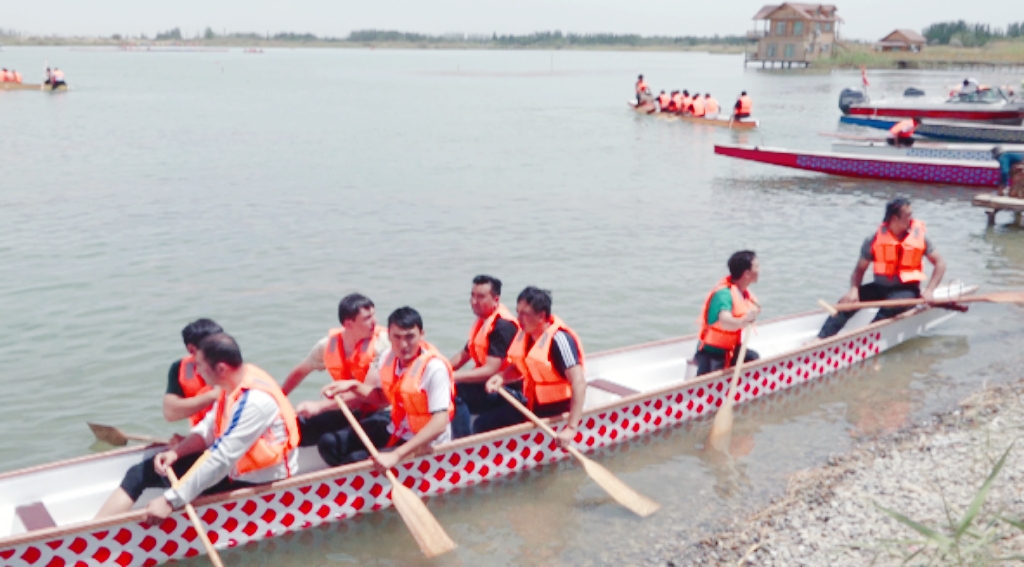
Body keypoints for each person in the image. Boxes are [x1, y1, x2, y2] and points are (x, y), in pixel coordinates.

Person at [94, 333, 300, 523]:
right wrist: (177, 452)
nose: (197, 371)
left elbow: (222, 459)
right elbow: (210, 427)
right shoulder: (233, 382)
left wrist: (169, 501)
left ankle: (95, 537)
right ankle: (95, 528)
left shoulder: (255, 402)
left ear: (221, 369)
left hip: (258, 479)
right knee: (140, 473)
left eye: (200, 365)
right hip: (234, 466)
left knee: (169, 483)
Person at [323, 307, 455, 470]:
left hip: (425, 443)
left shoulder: (434, 369)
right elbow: (382, 398)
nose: (403, 345)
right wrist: (354, 386)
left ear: (422, 335)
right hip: (396, 430)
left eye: (410, 337)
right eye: (397, 337)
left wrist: (396, 455)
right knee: (330, 443)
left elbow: (440, 423)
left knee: (354, 460)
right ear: (389, 336)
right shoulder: (387, 357)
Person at [280, 293, 391, 464]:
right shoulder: (327, 345)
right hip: (348, 409)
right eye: (367, 318)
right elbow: (299, 372)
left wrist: (319, 407)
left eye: (374, 315)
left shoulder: (383, 344)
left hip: (382, 411)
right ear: (348, 324)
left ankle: (356, 471)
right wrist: (279, 400)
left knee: (330, 444)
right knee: (296, 427)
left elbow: (362, 395)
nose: (375, 321)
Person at [818, 198, 947, 338]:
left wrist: (929, 290)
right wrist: (854, 290)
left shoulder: (920, 238)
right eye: (908, 215)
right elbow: (859, 270)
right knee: (847, 303)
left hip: (907, 290)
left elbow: (940, 264)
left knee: (890, 306)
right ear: (895, 218)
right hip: (880, 288)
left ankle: (865, 338)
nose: (912, 219)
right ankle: (821, 338)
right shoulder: (873, 240)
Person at [475, 287, 586, 450]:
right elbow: (521, 367)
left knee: (484, 425)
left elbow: (579, 382)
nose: (518, 318)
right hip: (531, 405)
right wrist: (502, 377)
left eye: (524, 314)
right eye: (518, 312)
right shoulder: (526, 335)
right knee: (481, 423)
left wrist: (570, 428)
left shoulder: (560, 340)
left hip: (556, 411)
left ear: (541, 316)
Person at [448, 275, 520, 438]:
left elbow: (490, 370)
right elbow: (463, 355)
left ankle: (463, 442)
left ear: (496, 299)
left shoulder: (502, 326)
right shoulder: (484, 322)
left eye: (481, 297)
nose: (474, 301)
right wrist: (440, 370)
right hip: (488, 385)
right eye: (472, 295)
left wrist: (451, 376)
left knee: (453, 391)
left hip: (506, 389)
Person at [694, 251, 761, 376]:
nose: (759, 270)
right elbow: (725, 321)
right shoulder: (724, 294)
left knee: (753, 358)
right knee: (710, 378)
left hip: (731, 350)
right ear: (747, 274)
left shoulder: (743, 293)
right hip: (712, 352)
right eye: (757, 267)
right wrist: (744, 321)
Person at [164, 319, 224, 426]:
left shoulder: (229, 363)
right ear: (192, 349)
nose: (219, 349)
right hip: (200, 432)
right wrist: (213, 396)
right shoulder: (180, 367)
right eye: (212, 345)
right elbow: (171, 413)